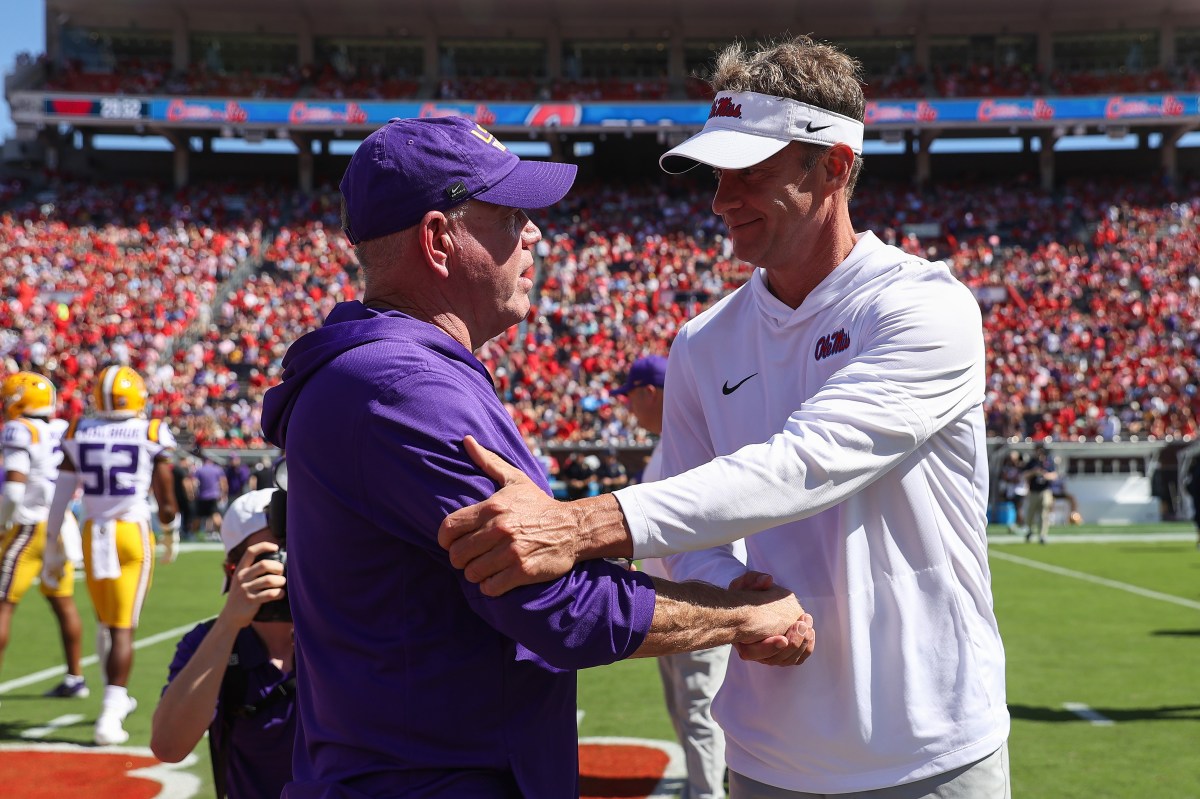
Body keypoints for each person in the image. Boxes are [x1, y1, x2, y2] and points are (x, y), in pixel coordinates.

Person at [440, 36, 1010, 799]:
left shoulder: (923, 307)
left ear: (833, 166)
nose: (720, 199)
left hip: (930, 746)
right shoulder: (704, 340)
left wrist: (578, 526)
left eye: (749, 172)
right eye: (716, 174)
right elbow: (685, 521)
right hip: (768, 754)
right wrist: (737, 594)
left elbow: (807, 462)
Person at [260, 115, 814, 798]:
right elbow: (560, 609)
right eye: (510, 214)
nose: (535, 234)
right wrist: (743, 614)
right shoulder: (407, 387)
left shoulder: (386, 372)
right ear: (439, 239)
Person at [616, 354, 745, 799]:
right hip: (670, 602)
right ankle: (704, 787)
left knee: (700, 711)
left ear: (649, 392)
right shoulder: (667, 444)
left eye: (631, 397)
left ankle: (706, 794)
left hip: (701, 600)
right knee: (687, 710)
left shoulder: (692, 438)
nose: (629, 409)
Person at [43, 364, 181, 746]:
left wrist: (53, 540)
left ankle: (114, 699)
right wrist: (170, 526)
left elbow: (62, 492)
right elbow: (165, 493)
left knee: (107, 621)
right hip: (131, 532)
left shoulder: (78, 430)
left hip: (93, 530)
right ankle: (110, 710)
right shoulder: (151, 430)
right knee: (123, 626)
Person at [150, 487, 294, 799]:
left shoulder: (339, 634)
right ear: (233, 569)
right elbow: (169, 746)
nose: (288, 566)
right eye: (275, 555)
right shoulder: (212, 643)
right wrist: (229, 624)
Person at [0, 372, 88, 699]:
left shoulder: (18, 429)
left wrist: (1, 524)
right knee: (62, 602)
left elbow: (12, 491)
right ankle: (76, 678)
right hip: (60, 525)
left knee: (3, 605)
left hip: (27, 525)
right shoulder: (61, 429)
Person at [1023, 444, 1058, 544]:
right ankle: (1029, 530)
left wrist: (1046, 475)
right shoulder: (1032, 462)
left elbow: (1054, 475)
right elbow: (1024, 475)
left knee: (1044, 513)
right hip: (1033, 491)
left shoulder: (1048, 462)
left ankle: (1042, 535)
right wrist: (1034, 472)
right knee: (1031, 514)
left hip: (1045, 490)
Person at [192, 453, 227, 538]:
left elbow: (194, 483)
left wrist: (194, 494)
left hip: (202, 496)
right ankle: (222, 534)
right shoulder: (217, 469)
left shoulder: (199, 470)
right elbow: (223, 482)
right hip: (213, 496)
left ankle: (192, 535)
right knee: (216, 516)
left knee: (198, 517)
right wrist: (223, 494)